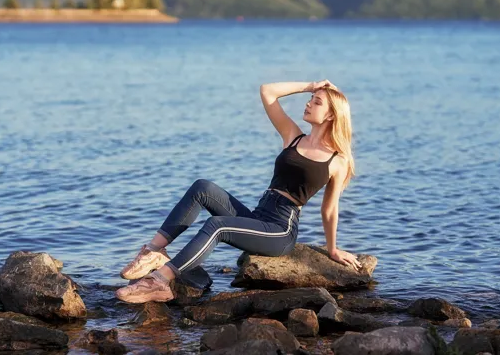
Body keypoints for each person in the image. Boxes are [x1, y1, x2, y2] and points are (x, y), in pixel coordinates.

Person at [115, 80, 360, 304]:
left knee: (218, 225)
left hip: (280, 230)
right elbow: (268, 91)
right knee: (203, 187)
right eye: (311, 98)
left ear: (331, 115)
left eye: (316, 102)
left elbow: (329, 209)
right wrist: (310, 85)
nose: (308, 103)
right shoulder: (294, 137)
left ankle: (159, 282)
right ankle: (153, 251)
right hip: (259, 215)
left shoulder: (337, 161)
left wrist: (333, 250)